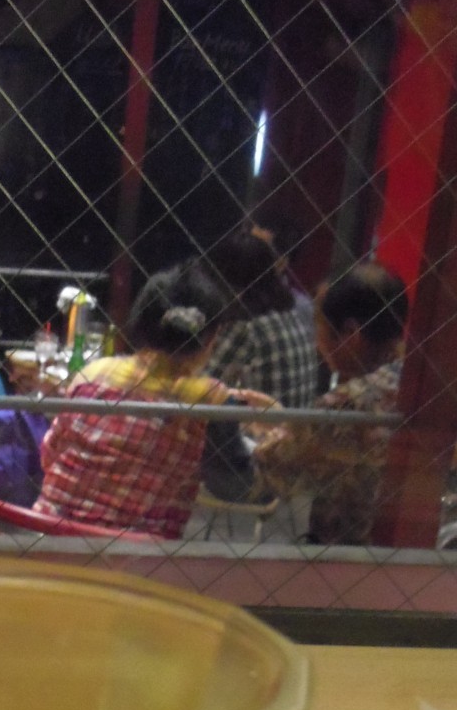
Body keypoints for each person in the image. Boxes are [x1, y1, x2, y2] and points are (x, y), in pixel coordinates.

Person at [33, 261, 274, 538]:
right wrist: (276, 445)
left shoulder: (91, 375)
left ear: (139, 323)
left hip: (49, 544)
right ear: (211, 339)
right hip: (136, 559)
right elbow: (232, 487)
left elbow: (49, 455)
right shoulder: (209, 400)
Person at [252, 262, 409, 547]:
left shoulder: (347, 405)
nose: (316, 342)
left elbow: (265, 469)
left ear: (350, 333)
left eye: (320, 326)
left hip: (346, 559)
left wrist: (258, 428)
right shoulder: (430, 386)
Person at [204, 228, 318, 409]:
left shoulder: (246, 326)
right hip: (292, 422)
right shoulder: (289, 312)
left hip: (263, 426)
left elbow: (203, 387)